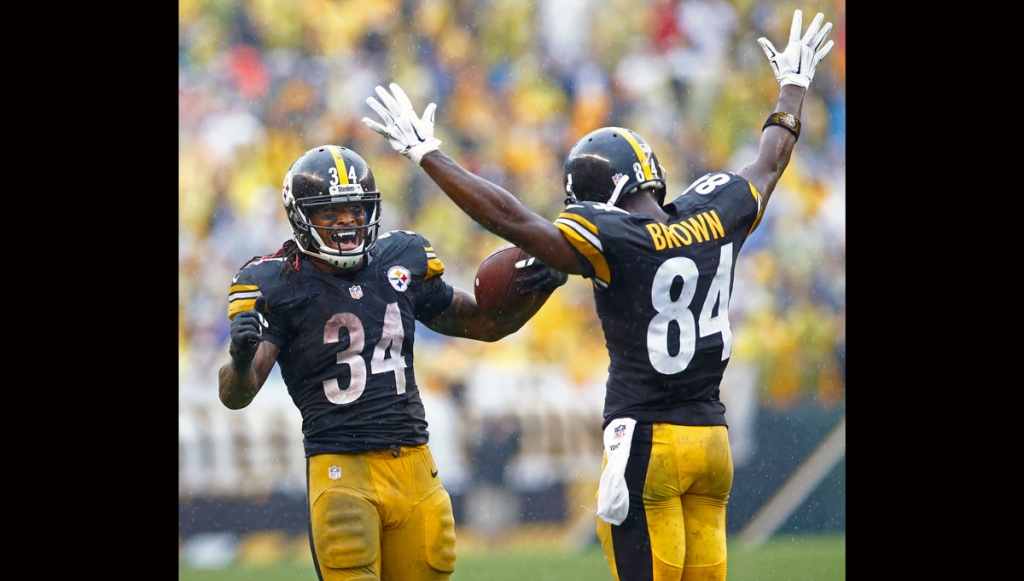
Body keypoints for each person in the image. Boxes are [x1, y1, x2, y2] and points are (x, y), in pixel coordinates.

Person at [361, 9, 834, 581]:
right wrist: (793, 88)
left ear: (595, 196)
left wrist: (427, 154)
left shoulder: (614, 236)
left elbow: (512, 220)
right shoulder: (717, 211)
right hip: (711, 441)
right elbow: (770, 159)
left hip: (647, 441)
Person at [217, 144, 567, 581]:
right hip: (342, 470)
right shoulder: (276, 282)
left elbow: (486, 325)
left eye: (355, 208)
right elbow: (236, 394)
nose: (347, 219)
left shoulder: (399, 260)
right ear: (301, 216)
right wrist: (241, 354)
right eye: (331, 211)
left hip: (415, 467)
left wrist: (538, 291)